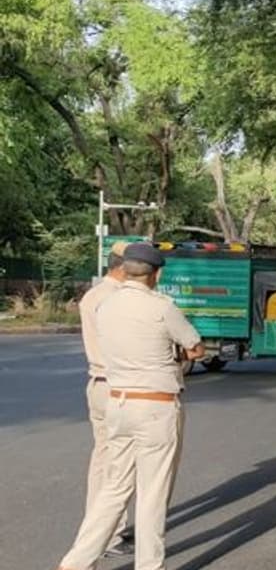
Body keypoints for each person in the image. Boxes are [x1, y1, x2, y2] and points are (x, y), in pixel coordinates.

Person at [57, 243, 205, 570]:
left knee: (113, 488)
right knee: (152, 492)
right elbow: (195, 347)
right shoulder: (161, 307)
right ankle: (149, 565)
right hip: (155, 406)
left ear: (125, 268)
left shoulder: (105, 306)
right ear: (157, 274)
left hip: (118, 403)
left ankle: (76, 561)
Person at [75, 241, 132, 559]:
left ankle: (101, 526)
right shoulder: (119, 299)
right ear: (124, 267)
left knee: (103, 459)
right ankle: (107, 535)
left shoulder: (93, 295)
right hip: (119, 386)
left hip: (97, 383)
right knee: (120, 464)